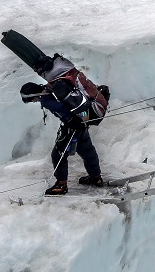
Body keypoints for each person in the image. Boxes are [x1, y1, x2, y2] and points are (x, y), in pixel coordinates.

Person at [20, 57, 107, 196]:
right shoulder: (53, 87)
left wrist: (72, 121)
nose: (33, 101)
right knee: (86, 150)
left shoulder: (47, 99)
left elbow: (63, 109)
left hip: (73, 126)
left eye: (31, 99)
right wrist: (80, 119)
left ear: (33, 95)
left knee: (58, 154)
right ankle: (95, 177)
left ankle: (61, 185)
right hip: (82, 122)